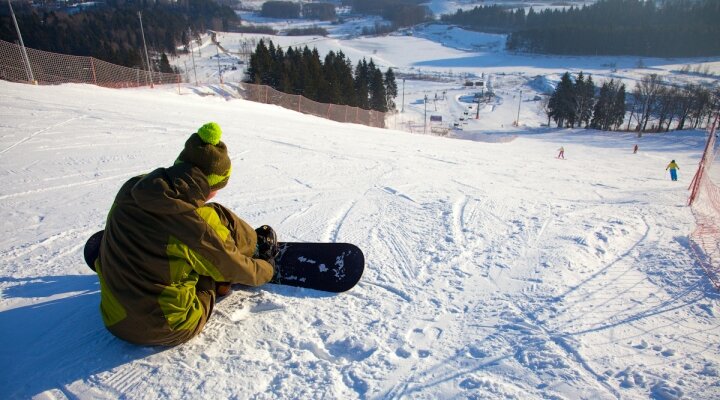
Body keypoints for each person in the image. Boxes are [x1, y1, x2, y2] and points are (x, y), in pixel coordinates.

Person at [92, 122, 277, 346]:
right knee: (214, 237)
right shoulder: (194, 225)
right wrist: (267, 267)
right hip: (169, 328)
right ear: (212, 185)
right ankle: (252, 246)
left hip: (114, 319)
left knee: (115, 237)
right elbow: (238, 269)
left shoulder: (133, 187)